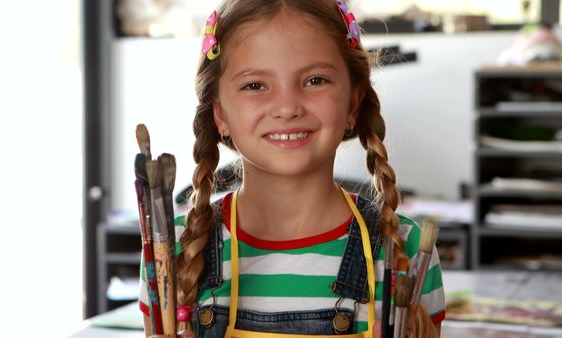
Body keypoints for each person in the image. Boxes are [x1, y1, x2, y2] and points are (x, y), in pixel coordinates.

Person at [139, 0, 445, 337]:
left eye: (315, 80)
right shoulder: (174, 251)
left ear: (353, 104)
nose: (287, 107)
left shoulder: (406, 248)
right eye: (254, 85)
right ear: (220, 114)